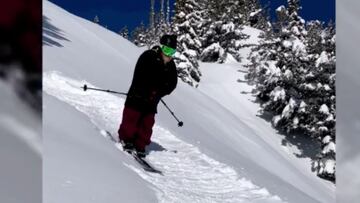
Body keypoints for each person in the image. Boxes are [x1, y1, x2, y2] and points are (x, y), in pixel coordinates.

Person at [118, 34, 178, 158]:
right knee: (132, 118)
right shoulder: (148, 56)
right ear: (161, 48)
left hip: (152, 99)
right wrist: (148, 88)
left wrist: (160, 92)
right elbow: (140, 74)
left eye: (172, 52)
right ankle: (126, 139)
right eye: (167, 50)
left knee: (147, 123)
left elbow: (172, 83)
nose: (169, 55)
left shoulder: (171, 66)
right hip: (138, 95)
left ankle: (140, 144)